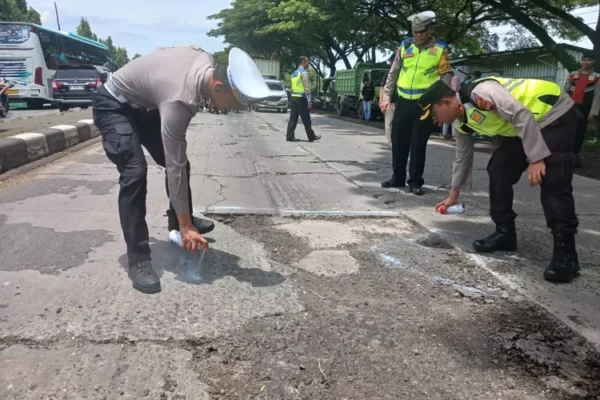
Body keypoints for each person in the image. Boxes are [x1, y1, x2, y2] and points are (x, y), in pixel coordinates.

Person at [92, 46, 270, 294]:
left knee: (180, 161)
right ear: (217, 87)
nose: (233, 110)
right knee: (135, 171)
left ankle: (178, 220)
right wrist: (188, 227)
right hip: (113, 105)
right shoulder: (179, 101)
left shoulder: (205, 58)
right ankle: (139, 257)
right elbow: (173, 165)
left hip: (146, 105)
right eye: (234, 104)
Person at [419, 77, 580, 283]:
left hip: (553, 114)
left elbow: (521, 113)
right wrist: (453, 196)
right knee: (499, 170)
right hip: (522, 125)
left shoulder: (482, 93)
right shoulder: (461, 124)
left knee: (553, 180)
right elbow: (462, 158)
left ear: (448, 103)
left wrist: (537, 157)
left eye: (434, 114)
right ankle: (505, 233)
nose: (436, 122)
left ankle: (566, 254)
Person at [380, 11, 453, 196]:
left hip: (424, 105)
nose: (418, 35)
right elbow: (393, 73)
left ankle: (415, 181)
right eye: (415, 31)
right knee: (398, 142)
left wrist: (437, 102)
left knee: (418, 144)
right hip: (403, 101)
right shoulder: (405, 47)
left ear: (430, 29)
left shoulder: (440, 50)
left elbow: (446, 78)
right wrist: (387, 96)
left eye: (422, 31)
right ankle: (397, 177)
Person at [564, 50, 600, 168]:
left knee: (579, 132)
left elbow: (597, 96)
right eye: (583, 59)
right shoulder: (573, 75)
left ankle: (575, 155)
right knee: (567, 130)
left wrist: (593, 112)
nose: (585, 62)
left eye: (589, 60)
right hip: (570, 108)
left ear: (593, 61)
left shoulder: (596, 77)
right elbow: (565, 92)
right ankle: (565, 155)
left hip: (585, 109)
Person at [286, 56, 321, 142]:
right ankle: (311, 136)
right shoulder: (304, 73)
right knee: (306, 119)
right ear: (303, 62)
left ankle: (289, 136)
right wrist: (309, 101)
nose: (308, 64)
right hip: (301, 99)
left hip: (293, 98)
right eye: (307, 62)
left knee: (293, 119)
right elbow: (306, 88)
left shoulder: (294, 73)